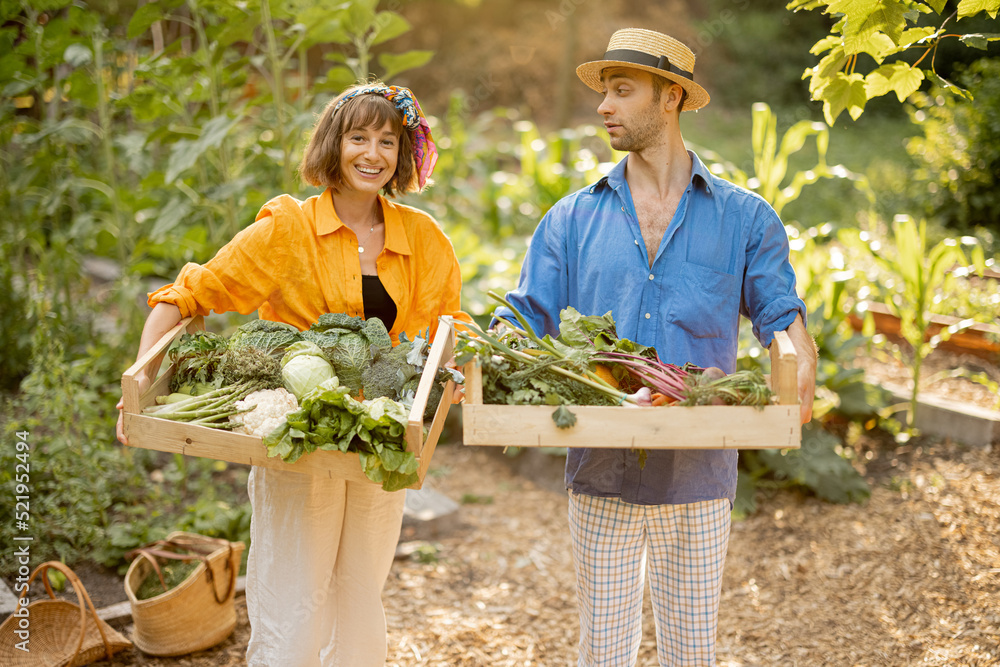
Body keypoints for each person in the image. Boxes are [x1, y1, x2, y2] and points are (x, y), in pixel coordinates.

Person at [116, 82, 471, 666]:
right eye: (359, 137)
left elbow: (449, 327)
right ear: (334, 143)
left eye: (387, 141)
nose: (372, 153)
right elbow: (185, 297)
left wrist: (456, 369)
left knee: (362, 592)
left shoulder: (425, 239)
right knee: (293, 596)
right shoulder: (289, 230)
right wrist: (135, 391)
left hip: (383, 438)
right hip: (299, 435)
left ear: (402, 155)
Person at [493, 28, 817, 666]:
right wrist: (488, 348)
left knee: (690, 654)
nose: (603, 107)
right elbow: (525, 315)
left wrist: (797, 351)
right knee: (604, 653)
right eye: (604, 92)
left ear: (670, 97)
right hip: (600, 472)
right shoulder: (570, 218)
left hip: (699, 477)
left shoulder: (744, 219)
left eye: (622, 91)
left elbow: (779, 313)